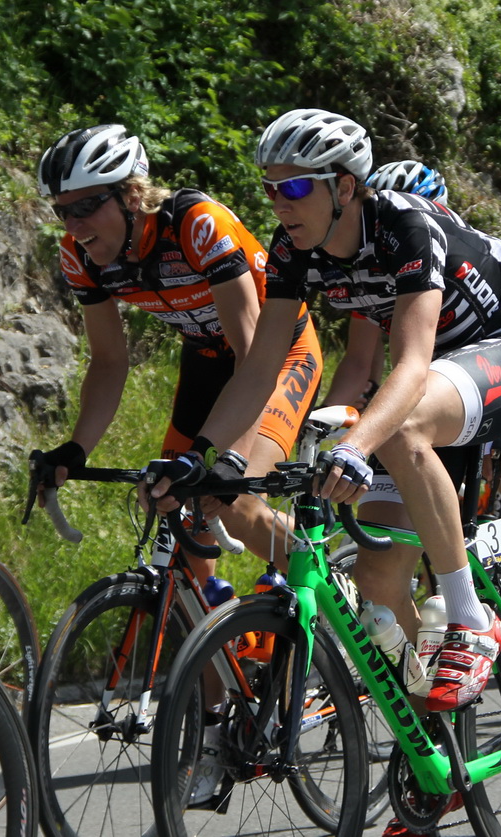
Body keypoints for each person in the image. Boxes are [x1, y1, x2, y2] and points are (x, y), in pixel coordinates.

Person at [148, 109, 501, 719]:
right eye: (269, 188)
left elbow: (410, 365)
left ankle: (471, 618)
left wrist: (355, 446)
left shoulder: (405, 226)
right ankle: (434, 744)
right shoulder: (292, 249)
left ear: (343, 186)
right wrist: (204, 458)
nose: (278, 203)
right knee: (378, 576)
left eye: (293, 187)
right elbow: (259, 368)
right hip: (438, 375)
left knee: (401, 424)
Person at [36, 124, 323, 577]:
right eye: (62, 212)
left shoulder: (197, 225)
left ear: (132, 195)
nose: (73, 225)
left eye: (86, 207)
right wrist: (76, 449)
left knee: (233, 503)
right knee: (170, 503)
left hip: (277, 355)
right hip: (206, 360)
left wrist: (230, 459)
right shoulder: (79, 255)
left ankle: (336, 590)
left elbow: (252, 358)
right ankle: (208, 615)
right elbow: (109, 362)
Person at [357, 159, 501, 562]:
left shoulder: (471, 250)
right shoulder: (373, 269)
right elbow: (362, 359)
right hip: (441, 354)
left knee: (500, 441)